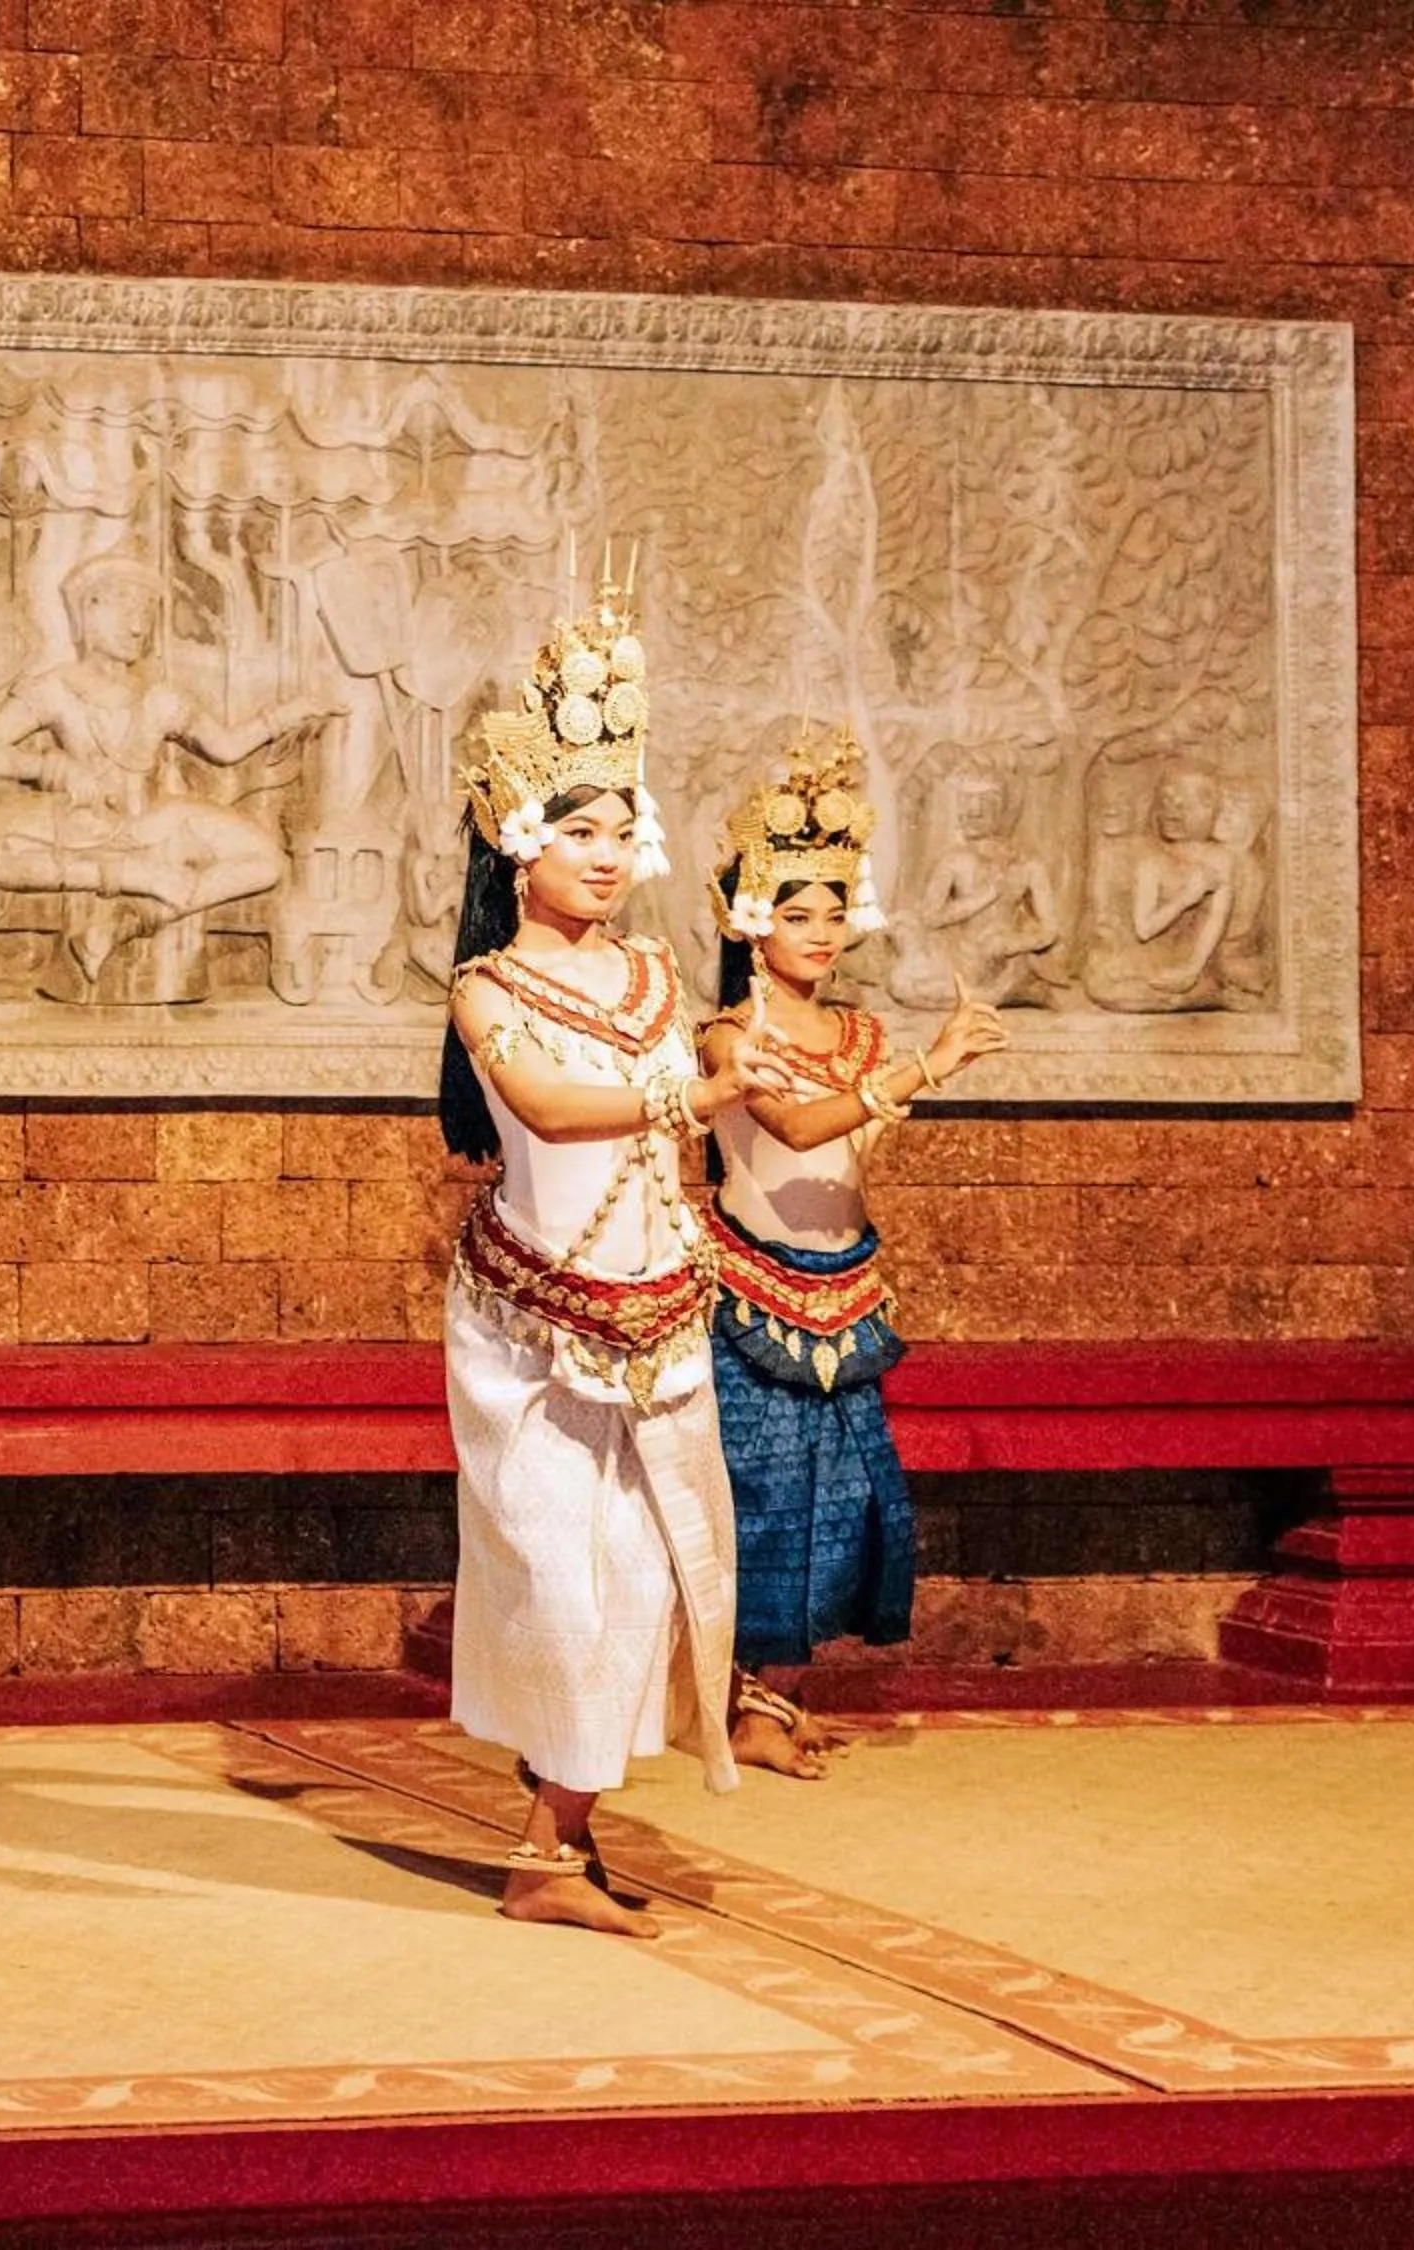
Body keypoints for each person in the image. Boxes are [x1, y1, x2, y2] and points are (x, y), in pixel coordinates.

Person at [439, 571, 793, 1938]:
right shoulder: (489, 986)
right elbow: (539, 1106)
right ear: (516, 844)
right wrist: (687, 1096)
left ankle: (552, 1835)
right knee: (553, 1572)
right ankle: (551, 1838)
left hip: (658, 1312)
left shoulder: (654, 980)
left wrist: (738, 1061)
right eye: (577, 826)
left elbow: (716, 1060)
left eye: (619, 824)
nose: (605, 847)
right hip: (529, 1329)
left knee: (649, 1573)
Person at [704, 732, 1007, 1778]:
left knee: (849, 1502)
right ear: (748, 920)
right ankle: (742, 1707)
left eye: (834, 912)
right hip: (748, 1291)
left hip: (847, 1287)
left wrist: (924, 1067)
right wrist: (928, 1064)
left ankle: (783, 1705)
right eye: (797, 913)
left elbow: (853, 1146)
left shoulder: (864, 1034)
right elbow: (790, 1129)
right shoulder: (725, 1037)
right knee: (763, 1501)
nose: (821, 933)